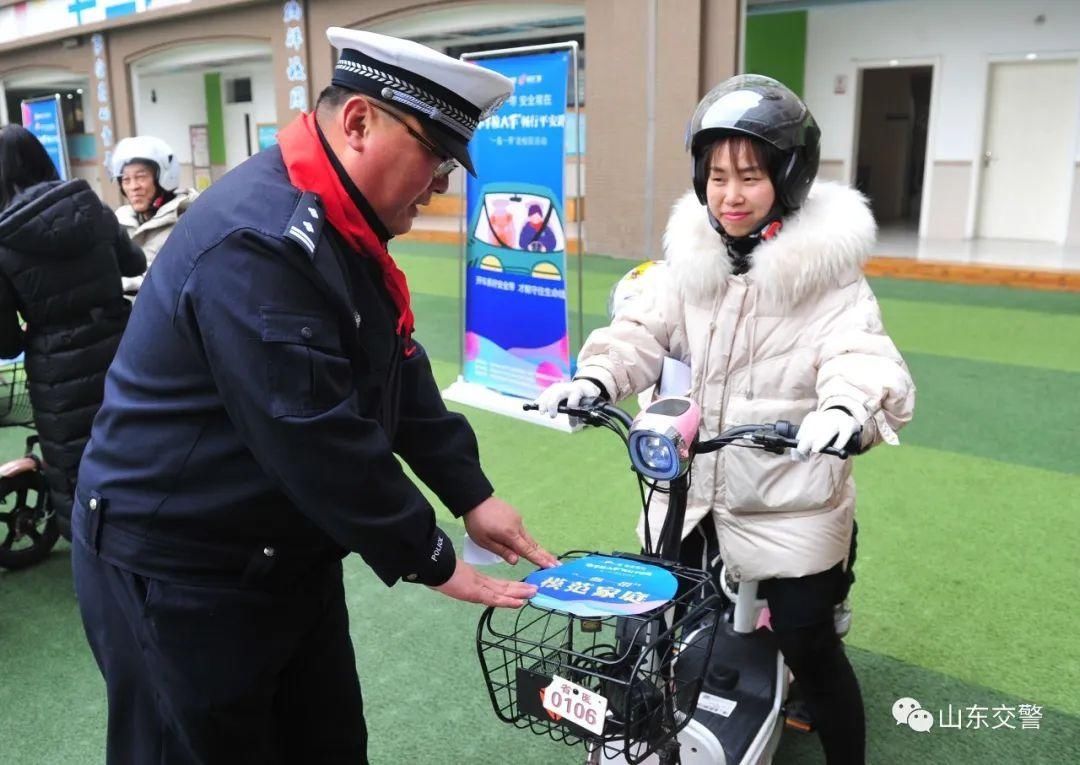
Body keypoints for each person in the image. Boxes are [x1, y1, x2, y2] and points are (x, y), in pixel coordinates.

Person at [71, 27, 556, 764]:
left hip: (283, 549)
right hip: (178, 562)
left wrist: (470, 493)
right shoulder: (260, 240)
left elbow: (393, 360)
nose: (442, 187)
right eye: (435, 157)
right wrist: (429, 553)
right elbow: (313, 431)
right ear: (359, 123)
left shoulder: (338, 220)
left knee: (326, 743)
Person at [535, 75, 915, 764]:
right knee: (644, 614)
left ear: (790, 178)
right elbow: (640, 330)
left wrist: (844, 408)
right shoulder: (690, 261)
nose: (730, 195)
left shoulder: (828, 277)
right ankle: (641, 727)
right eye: (716, 176)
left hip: (788, 498)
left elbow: (861, 355)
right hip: (692, 491)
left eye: (749, 176)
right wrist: (596, 377)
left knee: (807, 639)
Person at [0, 124, 145, 540]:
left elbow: (6, 340)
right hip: (120, 346)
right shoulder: (91, 207)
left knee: (76, 462)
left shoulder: (4, 240)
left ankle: (96, 547)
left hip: (56, 368)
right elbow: (133, 264)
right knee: (131, 441)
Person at [109, 135, 198, 293]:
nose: (133, 187)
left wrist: (128, 284)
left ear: (163, 177)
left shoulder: (187, 221)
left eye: (140, 177)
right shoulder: (118, 223)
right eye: (126, 179)